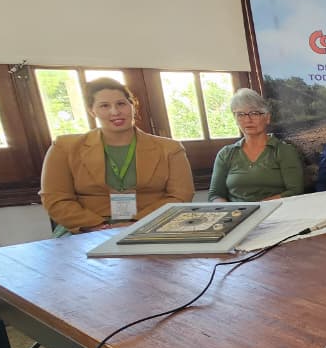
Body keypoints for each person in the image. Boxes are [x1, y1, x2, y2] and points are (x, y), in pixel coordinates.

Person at [39, 77, 193, 234]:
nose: (115, 112)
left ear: (133, 106)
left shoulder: (170, 148)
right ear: (92, 111)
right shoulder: (64, 147)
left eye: (121, 104)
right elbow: (55, 198)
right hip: (85, 229)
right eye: (104, 106)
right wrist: (98, 226)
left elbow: (180, 195)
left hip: (154, 224)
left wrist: (137, 224)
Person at [207, 88, 304, 202]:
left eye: (254, 113)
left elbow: (295, 191)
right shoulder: (226, 154)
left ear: (267, 118)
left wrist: (258, 207)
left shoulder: (283, 150)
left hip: (277, 210)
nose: (248, 120)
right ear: (235, 119)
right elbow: (215, 194)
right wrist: (231, 210)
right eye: (241, 114)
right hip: (237, 212)